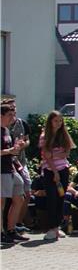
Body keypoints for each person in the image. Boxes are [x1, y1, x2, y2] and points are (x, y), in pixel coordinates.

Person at [38, 110, 75, 240]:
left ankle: (57, 227)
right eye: (55, 121)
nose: (58, 123)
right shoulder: (45, 136)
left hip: (63, 169)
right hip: (50, 171)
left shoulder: (63, 135)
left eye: (60, 121)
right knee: (52, 199)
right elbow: (47, 157)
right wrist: (55, 172)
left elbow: (67, 153)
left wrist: (54, 155)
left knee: (61, 198)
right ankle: (51, 227)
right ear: (50, 121)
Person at [1, 102, 30, 244]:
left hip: (11, 168)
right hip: (2, 170)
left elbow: (11, 150)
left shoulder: (6, 131)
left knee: (19, 199)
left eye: (13, 114)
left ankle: (12, 230)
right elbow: (5, 151)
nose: (13, 117)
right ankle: (1, 232)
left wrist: (17, 147)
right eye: (9, 115)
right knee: (1, 203)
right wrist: (9, 151)